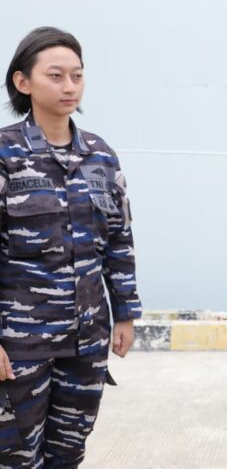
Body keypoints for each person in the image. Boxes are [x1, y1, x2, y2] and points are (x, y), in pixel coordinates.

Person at [0, 27, 142, 467]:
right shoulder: (5, 154)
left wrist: (125, 313)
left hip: (86, 339)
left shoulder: (100, 156)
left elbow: (118, 239)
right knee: (15, 455)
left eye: (77, 76)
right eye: (56, 75)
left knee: (68, 452)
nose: (69, 87)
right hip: (20, 342)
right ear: (23, 82)